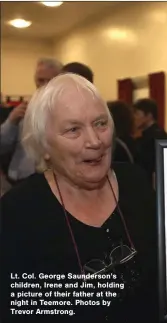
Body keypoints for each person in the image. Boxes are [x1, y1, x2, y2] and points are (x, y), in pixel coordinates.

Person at [0, 73, 158, 323]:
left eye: (100, 123)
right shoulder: (17, 212)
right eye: (73, 129)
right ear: (45, 147)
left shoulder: (136, 182)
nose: (95, 141)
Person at [0, 57, 62, 186]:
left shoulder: (66, 110)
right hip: (18, 180)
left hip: (53, 181)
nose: (43, 84)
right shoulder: (24, 109)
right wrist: (11, 121)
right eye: (40, 80)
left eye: (49, 80)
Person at [132, 98, 167, 176]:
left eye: (137, 114)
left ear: (149, 116)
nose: (134, 117)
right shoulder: (160, 133)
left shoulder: (153, 137)